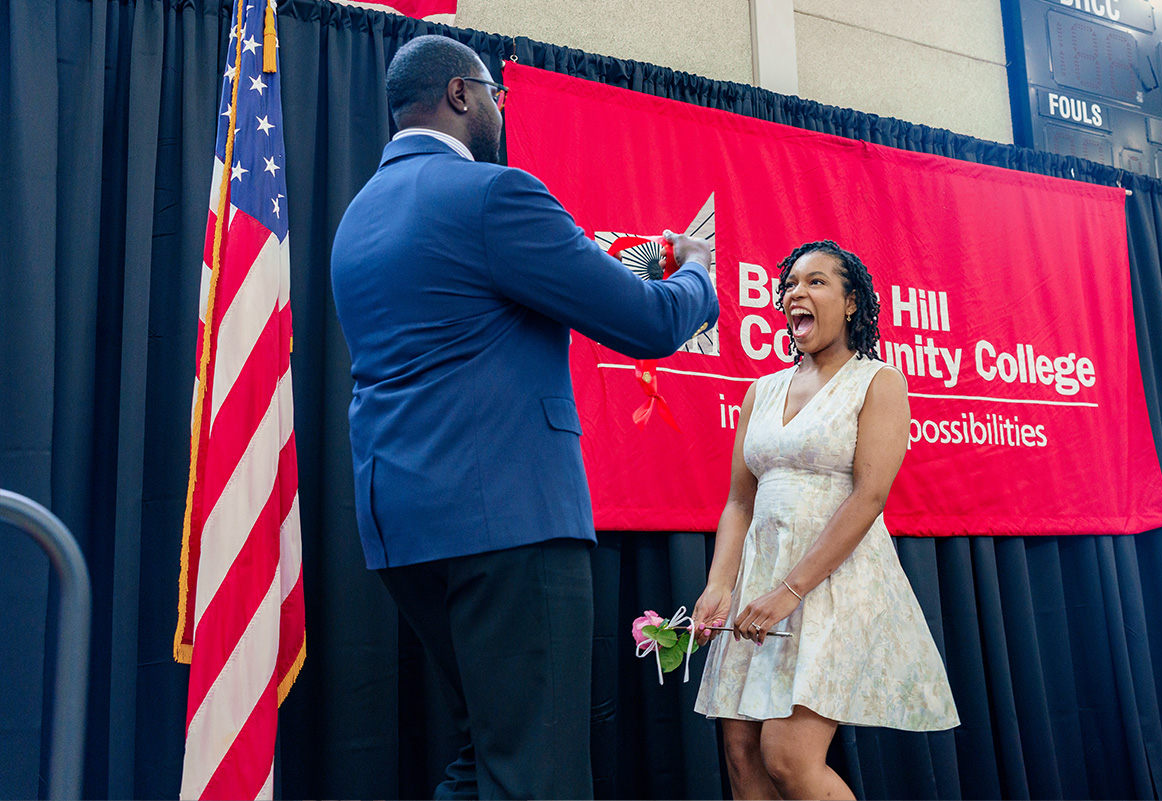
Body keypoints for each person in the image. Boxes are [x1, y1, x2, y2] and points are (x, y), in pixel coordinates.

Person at [329, 35, 719, 800]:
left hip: (403, 531)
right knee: (537, 773)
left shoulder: (356, 220)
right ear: (460, 95)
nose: (503, 110)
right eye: (495, 94)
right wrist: (701, 272)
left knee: (486, 757)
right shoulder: (492, 195)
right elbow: (643, 322)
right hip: (505, 521)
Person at [691, 241, 958, 800]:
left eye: (815, 282)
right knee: (742, 756)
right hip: (756, 582)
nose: (795, 294)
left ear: (852, 301)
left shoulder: (877, 381)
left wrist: (790, 590)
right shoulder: (760, 391)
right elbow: (741, 501)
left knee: (787, 758)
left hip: (829, 584)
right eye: (789, 285)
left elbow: (869, 497)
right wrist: (720, 587)